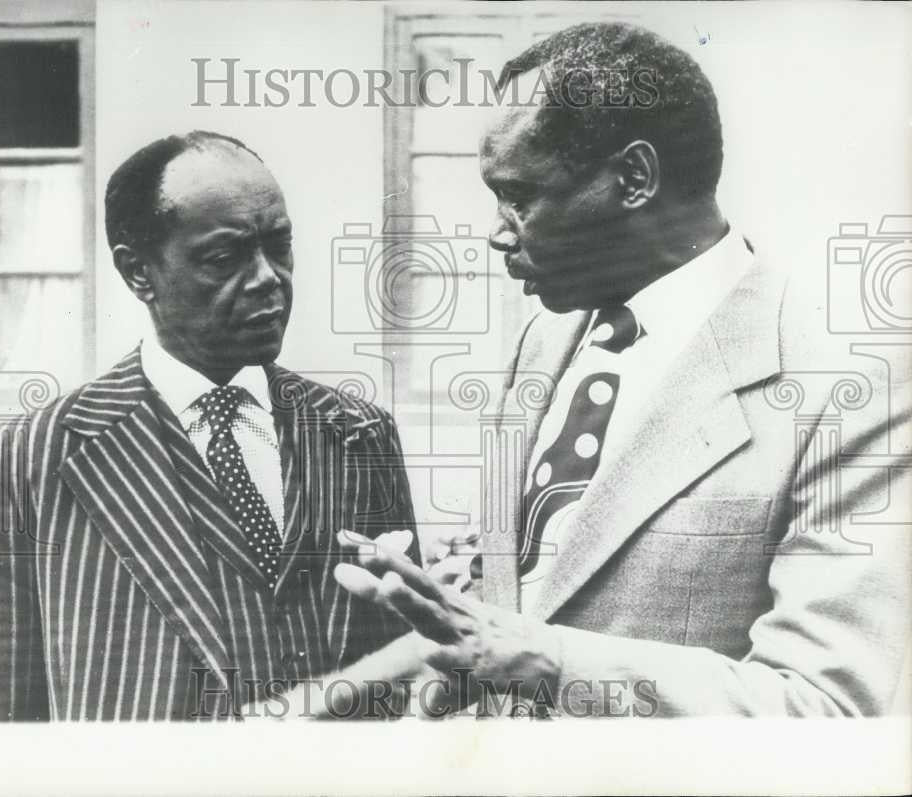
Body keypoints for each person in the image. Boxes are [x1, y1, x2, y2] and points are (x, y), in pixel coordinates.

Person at [333, 22, 911, 717]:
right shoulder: (544, 337)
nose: (496, 231)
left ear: (634, 178)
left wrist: (546, 661)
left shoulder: (845, 384)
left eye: (519, 195)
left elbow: (824, 709)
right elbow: (517, 602)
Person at [0, 130, 418, 721]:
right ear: (139, 273)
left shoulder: (359, 433)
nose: (269, 278)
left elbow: (406, 667)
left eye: (280, 246)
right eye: (225, 258)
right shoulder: (22, 462)